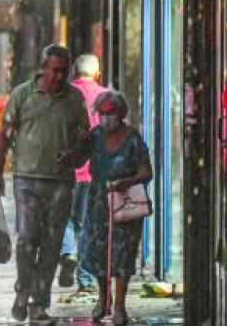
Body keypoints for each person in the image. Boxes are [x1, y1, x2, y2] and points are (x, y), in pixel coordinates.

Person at [0, 45, 91, 324]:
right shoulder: (23, 95)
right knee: (26, 239)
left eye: (62, 71)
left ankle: (39, 304)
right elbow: (4, 137)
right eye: (53, 70)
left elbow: (86, 144)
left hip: (60, 182)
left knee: (51, 244)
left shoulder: (75, 100)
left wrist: (74, 155)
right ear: (43, 68)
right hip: (26, 180)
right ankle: (23, 289)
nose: (57, 77)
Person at [77, 89, 153, 326]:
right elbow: (78, 158)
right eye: (101, 113)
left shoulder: (132, 138)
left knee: (123, 253)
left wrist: (125, 182)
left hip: (124, 203)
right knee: (98, 249)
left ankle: (119, 305)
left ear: (120, 113)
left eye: (110, 113)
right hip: (98, 200)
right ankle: (103, 298)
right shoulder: (95, 135)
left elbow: (146, 171)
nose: (105, 118)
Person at [57, 53, 106, 290]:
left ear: (74, 71)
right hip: (95, 171)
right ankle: (85, 279)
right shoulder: (106, 97)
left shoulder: (63, 96)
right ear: (97, 74)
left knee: (64, 217)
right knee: (87, 223)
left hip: (67, 169)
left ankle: (67, 253)